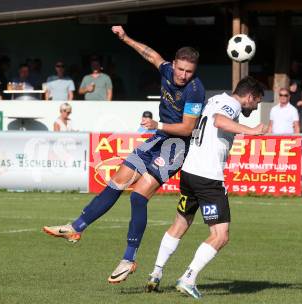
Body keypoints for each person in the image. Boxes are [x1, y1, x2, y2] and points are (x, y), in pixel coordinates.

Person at [43, 25, 205, 285]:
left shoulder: (195, 89)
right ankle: (76, 228)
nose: (184, 75)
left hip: (175, 147)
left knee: (138, 197)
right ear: (173, 64)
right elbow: (150, 54)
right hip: (158, 138)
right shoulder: (166, 69)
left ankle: (128, 259)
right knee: (118, 180)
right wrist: (126, 37)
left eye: (189, 71)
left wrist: (159, 125)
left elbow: (188, 127)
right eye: (181, 69)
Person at [144, 76, 265, 299]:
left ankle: (156, 272)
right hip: (208, 177)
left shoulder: (216, 98)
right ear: (249, 97)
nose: (255, 107)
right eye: (256, 102)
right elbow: (219, 120)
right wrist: (251, 131)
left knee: (180, 224)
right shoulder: (231, 106)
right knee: (220, 235)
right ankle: (188, 278)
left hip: (190, 172)